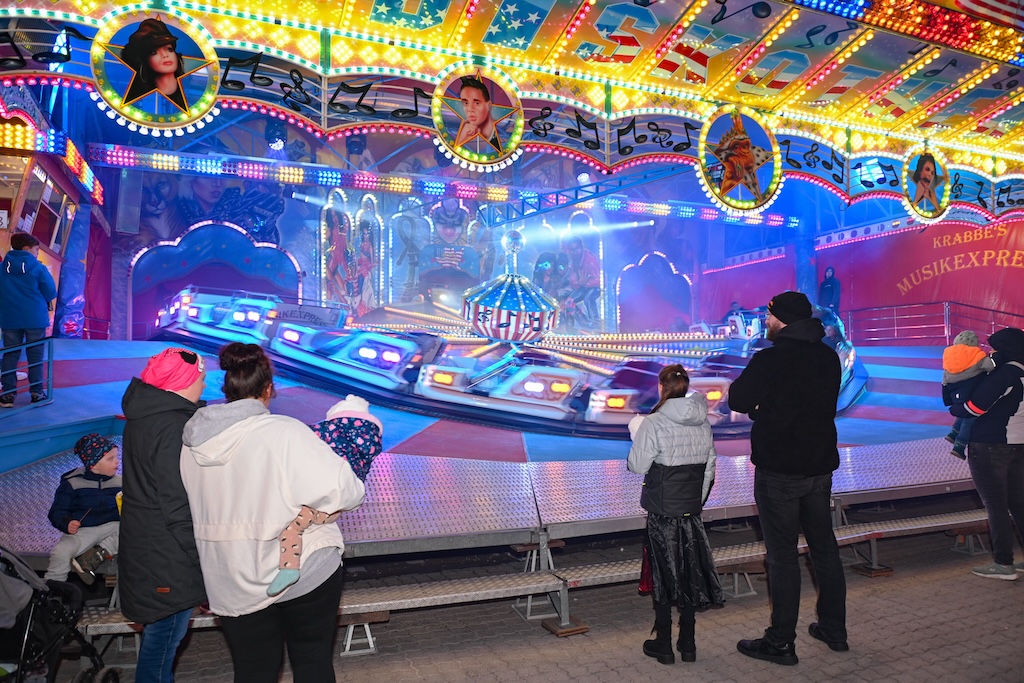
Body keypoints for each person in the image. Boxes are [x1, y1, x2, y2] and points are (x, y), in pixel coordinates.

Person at [179, 343, 365, 683]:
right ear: (268, 389)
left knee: (253, 671)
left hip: (230, 575)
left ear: (227, 387)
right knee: (312, 662)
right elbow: (346, 490)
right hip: (301, 568)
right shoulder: (284, 432)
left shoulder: (191, 446)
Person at [728, 291, 847, 665]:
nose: (765, 321)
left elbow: (737, 399)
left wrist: (763, 407)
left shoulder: (771, 358)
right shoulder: (827, 355)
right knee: (824, 549)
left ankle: (780, 642)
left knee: (782, 556)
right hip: (819, 466)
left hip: (780, 469)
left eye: (769, 315)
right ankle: (834, 629)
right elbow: (818, 404)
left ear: (781, 319)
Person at [120, 347, 208, 683]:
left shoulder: (144, 418)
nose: (204, 384)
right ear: (183, 382)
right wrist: (203, 559)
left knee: (160, 641)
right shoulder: (173, 427)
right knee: (161, 647)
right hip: (167, 553)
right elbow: (176, 503)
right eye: (201, 378)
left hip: (148, 546)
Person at [627, 364, 724, 665]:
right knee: (689, 573)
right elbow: (709, 470)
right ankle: (688, 643)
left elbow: (637, 466)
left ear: (661, 387)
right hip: (690, 512)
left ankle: (664, 644)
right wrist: (695, 502)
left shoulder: (653, 423)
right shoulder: (704, 422)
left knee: (662, 575)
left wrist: (636, 436)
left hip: (661, 513)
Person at [268, 394, 383, 597]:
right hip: (333, 507)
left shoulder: (328, 432)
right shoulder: (366, 442)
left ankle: (289, 567)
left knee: (291, 527)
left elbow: (301, 436)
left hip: (319, 504)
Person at [950, 327, 1024, 581]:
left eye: (994, 348)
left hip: (991, 444)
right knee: (1019, 503)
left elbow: (974, 407)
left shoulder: (1005, 374)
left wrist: (955, 407)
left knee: (996, 505)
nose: (991, 353)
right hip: (1019, 444)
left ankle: (1003, 563)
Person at [45, 434, 121, 585]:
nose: (117, 461)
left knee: (132, 531)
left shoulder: (121, 483)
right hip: (82, 532)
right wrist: (67, 523)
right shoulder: (72, 484)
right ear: (94, 465)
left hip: (111, 528)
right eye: (110, 459)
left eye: (116, 457)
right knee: (61, 552)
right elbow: (57, 512)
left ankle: (95, 555)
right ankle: (54, 589)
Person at [1, 232, 57, 408]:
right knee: (36, 355)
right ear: (27, 249)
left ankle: (7, 395)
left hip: (9, 317)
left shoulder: (2, 268)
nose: (37, 253)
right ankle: (37, 393)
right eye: (36, 250)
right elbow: (50, 292)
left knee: (10, 354)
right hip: (35, 318)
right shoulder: (38, 268)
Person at [942, 330, 995, 460]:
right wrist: (994, 357)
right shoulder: (977, 355)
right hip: (972, 391)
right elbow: (990, 367)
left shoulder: (948, 354)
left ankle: (953, 433)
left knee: (963, 412)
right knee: (970, 417)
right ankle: (959, 446)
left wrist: (947, 397)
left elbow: (945, 378)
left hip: (955, 392)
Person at [120, 18, 188, 112]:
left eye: (169, 49)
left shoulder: (188, 93)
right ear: (144, 60)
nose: (165, 55)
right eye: (153, 52)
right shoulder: (140, 100)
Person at [454, 76, 500, 150]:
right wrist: (460, 141)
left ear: (488, 105)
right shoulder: (466, 133)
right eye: (466, 103)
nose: (470, 109)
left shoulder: (502, 137)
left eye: (477, 103)